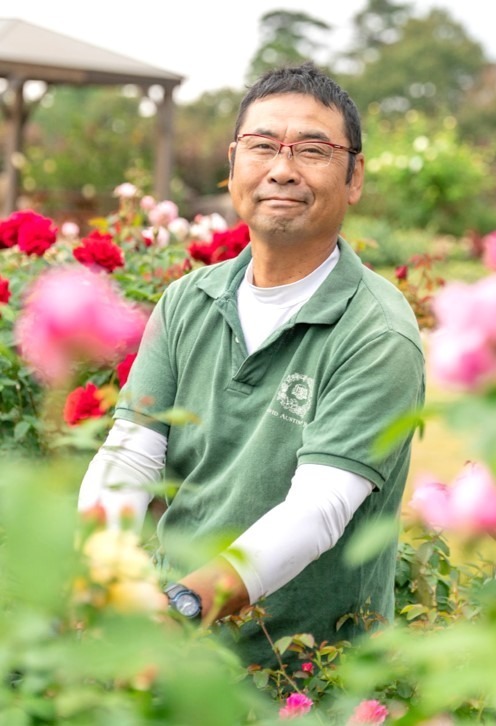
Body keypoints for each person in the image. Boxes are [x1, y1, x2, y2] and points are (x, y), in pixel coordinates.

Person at [79, 62, 425, 667]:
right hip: (170, 665)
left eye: (313, 149)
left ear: (355, 176)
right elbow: (131, 452)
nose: (282, 168)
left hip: (302, 680)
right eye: (262, 146)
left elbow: (317, 510)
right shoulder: (189, 300)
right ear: (233, 163)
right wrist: (102, 576)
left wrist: (181, 604)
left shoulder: (377, 331)